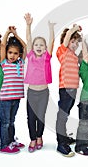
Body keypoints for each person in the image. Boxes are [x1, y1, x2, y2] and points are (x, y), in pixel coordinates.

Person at [24, 13, 55, 153]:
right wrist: (28, 25)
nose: (38, 46)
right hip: (31, 92)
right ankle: (32, 138)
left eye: (41, 45)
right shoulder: (30, 56)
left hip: (43, 92)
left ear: (45, 47)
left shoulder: (46, 57)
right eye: (36, 45)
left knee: (41, 116)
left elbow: (52, 41)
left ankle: (39, 137)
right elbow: (28, 39)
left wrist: (51, 29)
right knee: (31, 117)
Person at [0, 26, 27, 154]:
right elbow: (3, 45)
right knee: (5, 122)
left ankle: (10, 141)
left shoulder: (20, 62)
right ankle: (4, 145)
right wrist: (7, 32)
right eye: (10, 53)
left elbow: (25, 47)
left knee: (11, 121)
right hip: (5, 98)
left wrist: (16, 35)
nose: (12, 55)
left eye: (15, 53)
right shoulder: (4, 63)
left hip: (16, 97)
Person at [56, 24, 82, 157]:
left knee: (66, 114)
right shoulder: (63, 51)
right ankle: (61, 144)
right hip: (65, 88)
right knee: (62, 115)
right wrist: (74, 29)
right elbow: (66, 39)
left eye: (77, 42)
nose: (75, 44)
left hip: (73, 89)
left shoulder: (74, 56)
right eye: (73, 41)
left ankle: (64, 137)